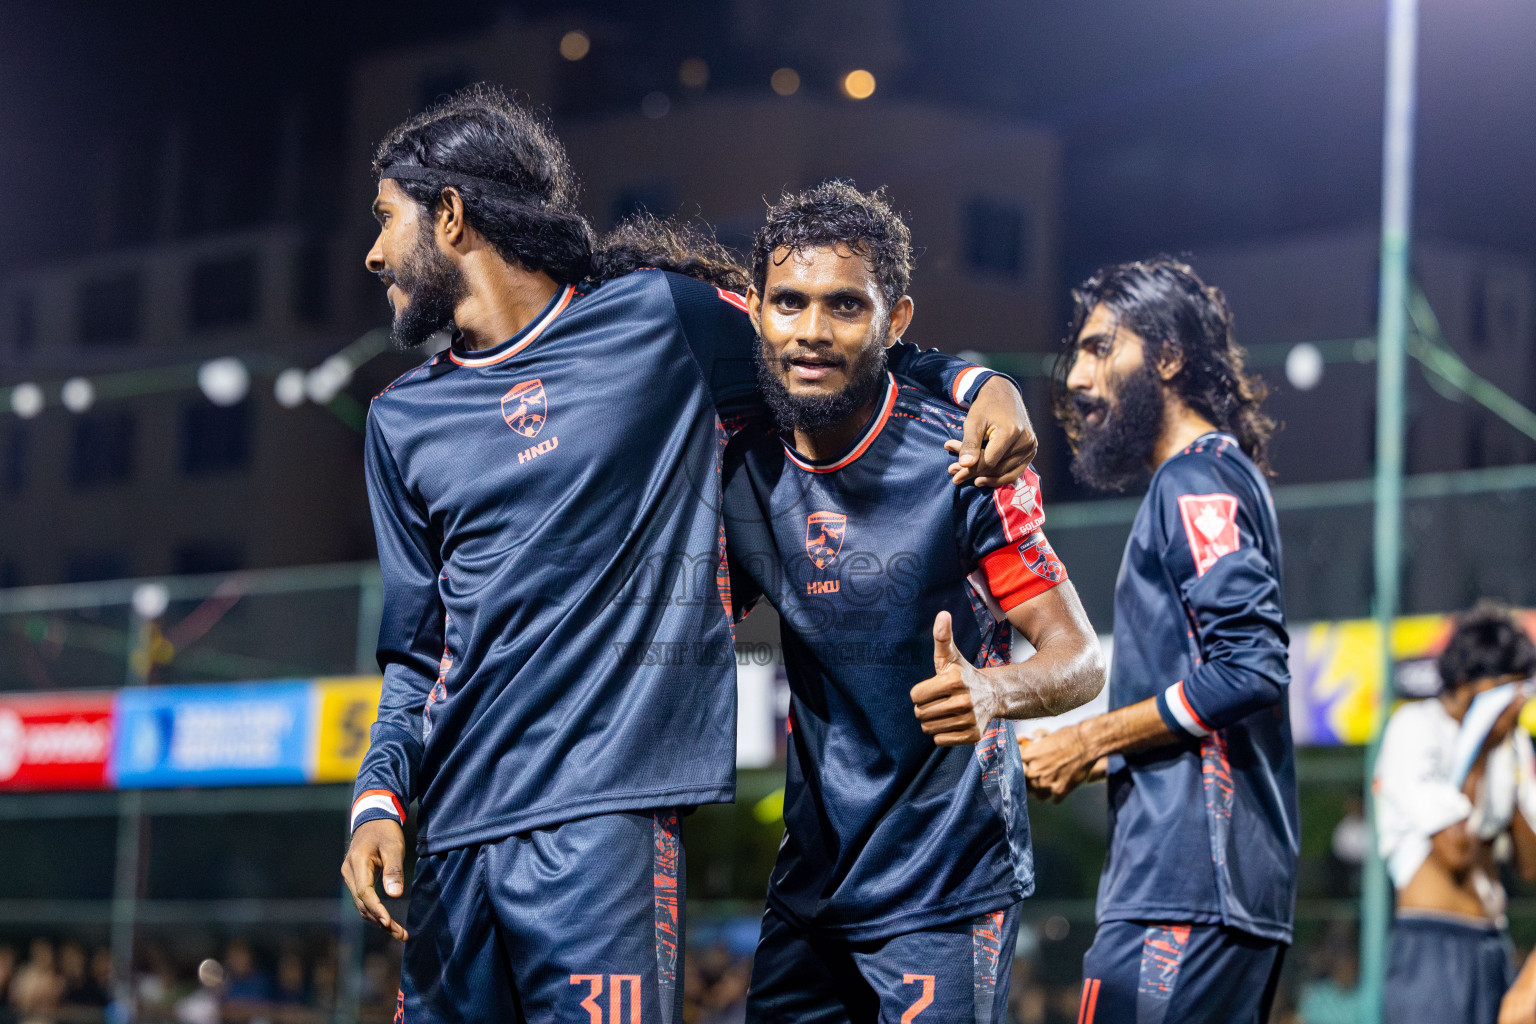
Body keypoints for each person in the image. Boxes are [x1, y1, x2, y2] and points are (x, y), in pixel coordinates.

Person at [338, 87, 1040, 1023]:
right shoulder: (399, 420)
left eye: (387, 217)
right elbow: (417, 650)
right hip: (456, 835)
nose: (376, 251)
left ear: (453, 215)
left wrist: (978, 379)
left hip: (606, 823)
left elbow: (820, 342)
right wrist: (380, 796)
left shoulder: (662, 321)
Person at [723, 182, 1103, 1023]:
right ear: (754, 309)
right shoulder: (740, 464)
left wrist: (992, 692)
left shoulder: (965, 458)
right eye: (788, 302)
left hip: (946, 879)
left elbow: (1078, 657)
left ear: (895, 322)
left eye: (844, 307)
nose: (811, 331)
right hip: (809, 886)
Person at [1018, 258, 1296, 1023]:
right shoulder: (1209, 481)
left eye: (1102, 348)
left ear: (1168, 357)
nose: (1077, 376)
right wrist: (1100, 751)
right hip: (1205, 888)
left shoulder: (1198, 482)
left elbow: (1250, 666)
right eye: (1076, 353)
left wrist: (1089, 738)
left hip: (1190, 887)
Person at [1375, 602, 1536, 1024]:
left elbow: (1531, 866)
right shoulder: (1415, 726)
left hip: (1492, 945)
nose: (1515, 705)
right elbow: (1455, 852)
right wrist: (1480, 745)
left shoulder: (1512, 743)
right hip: (1433, 945)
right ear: (1467, 685)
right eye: (1506, 690)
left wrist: (1514, 763)